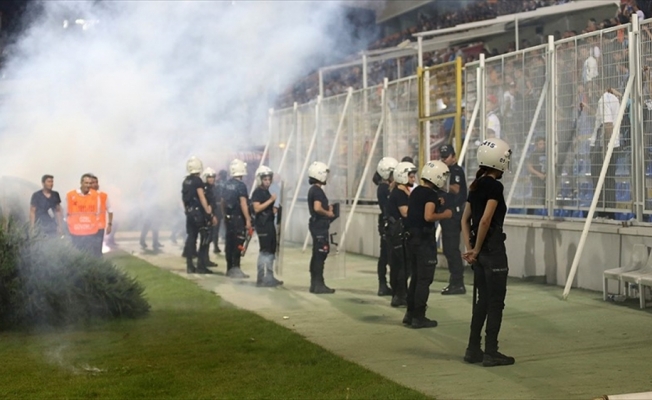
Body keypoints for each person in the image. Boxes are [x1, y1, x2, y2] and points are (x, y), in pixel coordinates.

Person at [461, 138, 515, 367]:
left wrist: (470, 248)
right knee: (495, 301)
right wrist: (478, 248)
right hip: (492, 250)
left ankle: (473, 348)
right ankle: (491, 351)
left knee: (481, 301)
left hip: (480, 252)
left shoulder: (475, 185)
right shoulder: (495, 186)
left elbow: (465, 220)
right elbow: (485, 221)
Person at [402, 160, 452, 329]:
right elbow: (428, 216)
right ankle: (419, 316)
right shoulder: (430, 194)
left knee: (415, 277)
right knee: (424, 279)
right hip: (424, 241)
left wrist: (437, 203)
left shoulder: (416, 191)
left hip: (411, 240)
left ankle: (409, 314)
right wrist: (445, 214)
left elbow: (416, 210)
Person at [385, 161, 417, 308]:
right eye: (411, 176)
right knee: (403, 266)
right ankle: (400, 295)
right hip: (398, 234)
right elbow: (405, 213)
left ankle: (398, 295)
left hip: (394, 234)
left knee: (398, 265)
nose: (414, 179)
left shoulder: (399, 192)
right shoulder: (400, 193)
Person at [438, 144, 468, 295]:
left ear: (454, 157)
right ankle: (456, 281)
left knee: (451, 249)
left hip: (454, 215)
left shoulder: (455, 170)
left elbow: (456, 189)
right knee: (449, 249)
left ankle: (458, 282)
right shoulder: (444, 171)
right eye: (442, 156)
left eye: (446, 156)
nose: (443, 159)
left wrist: (440, 181)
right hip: (447, 214)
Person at [251, 165, 283, 287]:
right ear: (260, 179)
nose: (268, 181)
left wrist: (274, 208)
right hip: (262, 225)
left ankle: (269, 276)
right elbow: (257, 208)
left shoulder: (268, 191)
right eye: (265, 179)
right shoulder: (258, 192)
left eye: (269, 179)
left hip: (269, 223)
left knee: (271, 250)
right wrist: (271, 200)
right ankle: (260, 278)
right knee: (264, 251)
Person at [307, 161, 336, 294]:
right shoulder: (317, 191)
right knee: (320, 253)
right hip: (319, 226)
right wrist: (328, 213)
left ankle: (315, 283)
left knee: (317, 254)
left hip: (316, 225)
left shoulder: (313, 190)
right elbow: (317, 208)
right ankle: (319, 284)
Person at [182, 157, 214, 274]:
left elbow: (184, 199)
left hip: (189, 212)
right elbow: (201, 197)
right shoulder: (197, 181)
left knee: (191, 238)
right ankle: (201, 265)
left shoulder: (185, 181)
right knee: (205, 238)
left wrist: (186, 210)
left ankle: (190, 265)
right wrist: (208, 211)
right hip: (198, 213)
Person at [222, 159, 252, 279]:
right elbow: (243, 203)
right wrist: (248, 219)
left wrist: (224, 215)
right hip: (238, 219)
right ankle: (236, 268)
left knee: (229, 243)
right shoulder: (241, 186)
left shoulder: (226, 184)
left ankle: (229, 268)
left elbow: (223, 202)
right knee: (238, 243)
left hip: (228, 219)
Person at [375, 156, 398, 296]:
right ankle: (384, 284)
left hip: (385, 222)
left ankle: (384, 284)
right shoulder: (384, 189)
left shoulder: (383, 187)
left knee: (385, 255)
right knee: (387, 255)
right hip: (387, 224)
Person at [66, 173, 101, 255]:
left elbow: (98, 213)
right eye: (86, 183)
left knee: (90, 254)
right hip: (75, 231)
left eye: (90, 183)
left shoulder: (95, 195)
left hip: (90, 231)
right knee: (76, 253)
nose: (88, 185)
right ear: (81, 183)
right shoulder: (71, 195)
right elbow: (66, 213)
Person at [89, 175, 112, 257]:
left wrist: (109, 224)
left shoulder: (103, 195)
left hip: (100, 226)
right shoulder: (84, 196)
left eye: (96, 182)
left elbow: (110, 210)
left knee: (98, 248)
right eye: (92, 183)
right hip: (87, 226)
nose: (95, 184)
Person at [202, 167, 220, 267]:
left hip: (210, 214)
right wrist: (211, 216)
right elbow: (207, 204)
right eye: (209, 177)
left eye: (213, 177)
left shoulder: (210, 188)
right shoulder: (205, 189)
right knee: (205, 240)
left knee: (208, 239)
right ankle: (203, 261)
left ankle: (206, 259)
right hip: (206, 216)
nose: (211, 179)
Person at [526, 137, 547, 210]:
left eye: (544, 144)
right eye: (540, 144)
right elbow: (529, 167)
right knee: (535, 197)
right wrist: (539, 174)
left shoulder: (547, 153)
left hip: (545, 179)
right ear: (536, 145)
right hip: (536, 180)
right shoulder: (534, 154)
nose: (543, 145)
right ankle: (530, 213)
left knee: (545, 197)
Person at [212, 169, 228, 254]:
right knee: (226, 227)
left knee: (216, 228)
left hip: (217, 206)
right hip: (223, 206)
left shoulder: (215, 184)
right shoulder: (226, 184)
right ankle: (225, 245)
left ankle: (215, 245)